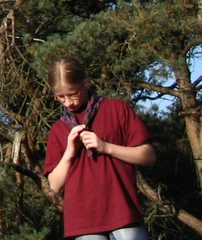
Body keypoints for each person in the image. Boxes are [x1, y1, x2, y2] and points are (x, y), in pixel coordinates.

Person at [44, 56, 156, 240]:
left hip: (124, 213)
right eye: (60, 97)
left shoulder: (117, 109)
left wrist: (106, 147)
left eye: (73, 94)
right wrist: (70, 153)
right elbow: (54, 185)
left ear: (85, 83)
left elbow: (148, 156)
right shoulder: (58, 129)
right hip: (83, 223)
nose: (68, 102)